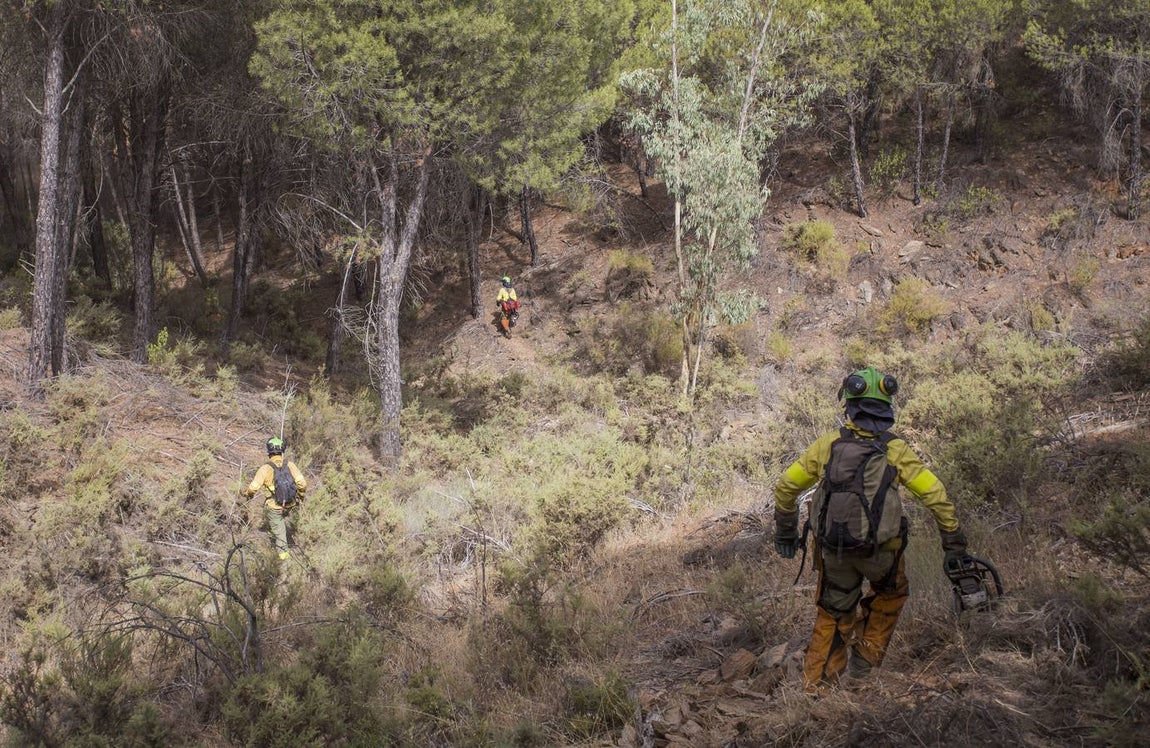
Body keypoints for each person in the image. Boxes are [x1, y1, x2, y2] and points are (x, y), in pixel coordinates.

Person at [772, 366, 969, 693]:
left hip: (834, 553)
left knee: (833, 615)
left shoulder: (828, 445)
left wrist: (785, 531)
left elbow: (786, 487)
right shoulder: (895, 450)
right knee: (891, 594)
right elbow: (935, 494)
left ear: (848, 404)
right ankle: (863, 666)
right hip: (882, 554)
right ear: (887, 406)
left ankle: (817, 693)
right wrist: (954, 543)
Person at [243, 436, 307, 560]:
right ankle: (291, 537)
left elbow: (253, 488)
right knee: (286, 524)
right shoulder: (291, 465)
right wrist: (301, 496)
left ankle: (284, 562)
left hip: (274, 507)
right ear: (282, 450)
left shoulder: (265, 468)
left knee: (280, 535)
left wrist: (248, 495)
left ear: (269, 451)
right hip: (291, 503)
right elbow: (302, 483)